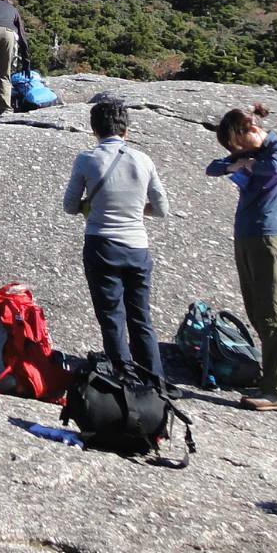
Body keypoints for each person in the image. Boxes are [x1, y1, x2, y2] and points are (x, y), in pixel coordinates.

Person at [205, 103, 277, 410]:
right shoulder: (248, 153)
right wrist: (234, 163)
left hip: (267, 237)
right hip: (247, 234)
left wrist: (248, 164)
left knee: (271, 314)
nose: (238, 150)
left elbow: (276, 168)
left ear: (253, 129)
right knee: (257, 312)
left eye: (240, 144)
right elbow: (213, 167)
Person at [62, 94, 168, 379]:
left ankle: (124, 379)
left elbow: (70, 206)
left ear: (94, 130)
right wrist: (134, 207)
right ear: (126, 130)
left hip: (102, 245)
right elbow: (161, 209)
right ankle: (155, 380)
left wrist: (94, 204)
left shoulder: (87, 159)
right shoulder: (143, 160)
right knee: (141, 316)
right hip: (138, 246)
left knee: (112, 316)